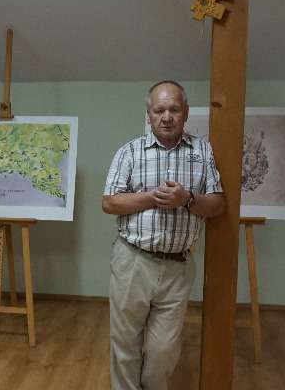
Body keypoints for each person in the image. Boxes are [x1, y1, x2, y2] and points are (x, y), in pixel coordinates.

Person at [102, 81, 225, 390]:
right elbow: (110, 202)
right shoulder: (129, 151)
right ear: (149, 114)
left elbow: (218, 204)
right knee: (125, 343)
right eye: (159, 110)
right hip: (133, 261)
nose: (167, 117)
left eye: (174, 109)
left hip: (178, 267)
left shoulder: (202, 151)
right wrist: (152, 197)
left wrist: (187, 199)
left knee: (164, 350)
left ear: (186, 113)